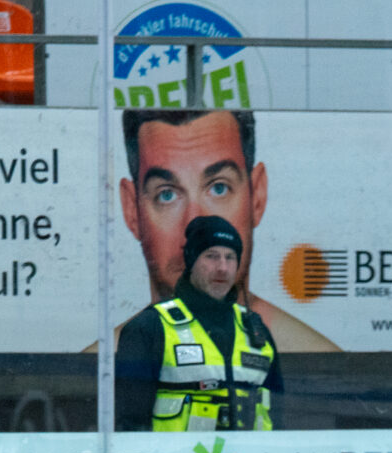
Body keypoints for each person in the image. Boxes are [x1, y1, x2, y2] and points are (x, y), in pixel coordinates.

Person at [114, 108, 337, 353]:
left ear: (257, 196)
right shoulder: (105, 361)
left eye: (218, 188)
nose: (196, 229)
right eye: (167, 195)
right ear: (132, 209)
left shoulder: (317, 356)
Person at [115, 215, 285, 432]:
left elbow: (278, 417)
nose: (222, 268)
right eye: (211, 256)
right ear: (191, 261)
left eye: (230, 257)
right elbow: (130, 426)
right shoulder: (151, 327)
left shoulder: (255, 330)